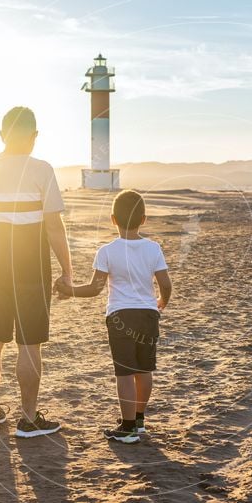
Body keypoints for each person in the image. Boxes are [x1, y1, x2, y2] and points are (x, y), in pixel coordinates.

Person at [0, 106, 73, 438]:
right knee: (29, 343)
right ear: (34, 137)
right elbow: (54, 226)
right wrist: (67, 272)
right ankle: (28, 418)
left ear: (2, 136)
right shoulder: (41, 169)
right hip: (30, 263)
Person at [56, 190, 172, 443]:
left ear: (112, 219)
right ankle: (139, 419)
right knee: (144, 369)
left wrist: (69, 290)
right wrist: (162, 301)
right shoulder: (153, 248)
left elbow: (95, 289)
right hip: (148, 314)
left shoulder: (107, 251)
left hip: (120, 315)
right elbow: (165, 283)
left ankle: (128, 427)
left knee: (124, 372)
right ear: (143, 219)